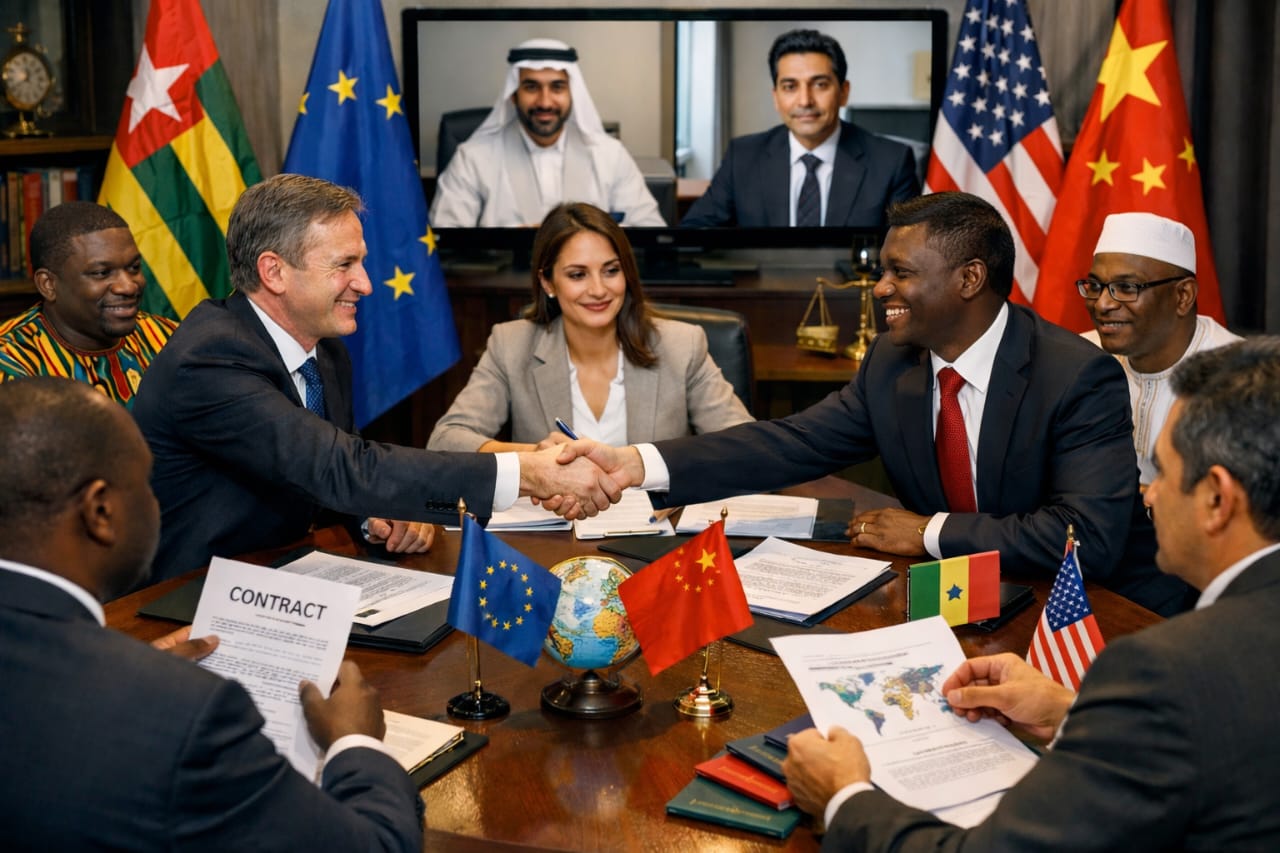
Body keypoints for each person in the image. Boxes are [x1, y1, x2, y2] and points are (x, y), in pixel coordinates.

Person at [557, 192, 1188, 614]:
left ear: (969, 279)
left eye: (900, 272)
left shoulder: (1075, 376)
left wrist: (928, 532)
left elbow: (1085, 538)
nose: (881, 287)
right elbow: (792, 442)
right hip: (967, 599)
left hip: (1098, 609)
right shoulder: (894, 362)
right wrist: (636, 464)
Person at [782, 337, 1280, 851]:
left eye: (1164, 474)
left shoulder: (1166, 671)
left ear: (1217, 499)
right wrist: (1073, 713)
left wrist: (843, 797)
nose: (1149, 495)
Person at [132, 174, 619, 587]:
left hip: (285, 577)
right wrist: (528, 472)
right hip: (190, 601)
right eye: (344, 265)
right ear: (274, 272)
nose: (365, 283)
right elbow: (336, 466)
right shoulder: (212, 359)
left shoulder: (325, 349)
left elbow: (329, 470)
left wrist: (376, 514)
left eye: (360, 262)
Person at [0, 377, 422, 851]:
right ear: (100, 511)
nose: (156, 502)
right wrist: (355, 743)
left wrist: (130, 673)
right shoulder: (186, 712)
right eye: (147, 483)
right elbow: (378, 845)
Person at [428, 202, 752, 452]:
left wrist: (656, 468)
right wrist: (534, 457)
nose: (598, 290)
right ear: (548, 282)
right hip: (553, 520)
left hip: (655, 519)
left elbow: (749, 448)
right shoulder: (511, 346)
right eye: (577, 275)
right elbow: (445, 441)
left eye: (611, 271)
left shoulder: (682, 345)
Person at [680, 29, 919, 228]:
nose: (805, 101)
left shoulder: (892, 162)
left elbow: (909, 253)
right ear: (776, 97)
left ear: (844, 92)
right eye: (790, 87)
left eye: (820, 85)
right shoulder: (742, 156)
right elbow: (694, 232)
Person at [429, 38, 665, 227]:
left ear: (572, 94)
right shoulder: (473, 158)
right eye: (531, 87)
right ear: (513, 95)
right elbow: (445, 239)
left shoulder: (610, 155)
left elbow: (649, 229)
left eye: (557, 87)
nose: (544, 102)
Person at [1080, 211, 1240, 487]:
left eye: (1126, 287)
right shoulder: (1078, 358)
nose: (1102, 304)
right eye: (1095, 286)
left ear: (1183, 296)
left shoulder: (1241, 380)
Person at [0, 201, 177, 406]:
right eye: (102, 273)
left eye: (134, 268)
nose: (128, 286)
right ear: (48, 285)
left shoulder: (170, 338)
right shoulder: (10, 365)